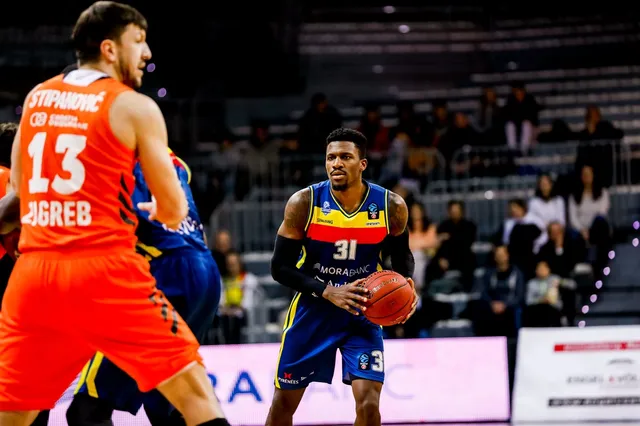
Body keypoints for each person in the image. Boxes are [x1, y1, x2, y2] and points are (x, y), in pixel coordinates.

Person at [0, 2, 229, 425]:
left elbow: (17, 199)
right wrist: (159, 209)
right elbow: (174, 210)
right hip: (103, 270)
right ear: (109, 48)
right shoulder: (134, 106)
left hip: (35, 276)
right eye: (138, 41)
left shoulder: (35, 98)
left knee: (15, 413)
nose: (147, 53)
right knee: (196, 398)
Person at [266, 128, 418, 426]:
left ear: (362, 164)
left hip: (363, 313)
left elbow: (402, 257)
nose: (336, 163)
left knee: (369, 405)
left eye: (345, 157)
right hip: (313, 312)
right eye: (331, 157)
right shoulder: (304, 203)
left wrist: (407, 284)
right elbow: (279, 268)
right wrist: (327, 291)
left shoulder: (390, 206)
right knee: (283, 405)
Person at [61, 151, 221, 425]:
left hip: (164, 271)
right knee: (169, 403)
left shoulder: (107, 154)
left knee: (87, 410)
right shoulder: (174, 161)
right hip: (204, 269)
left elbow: (119, 224)